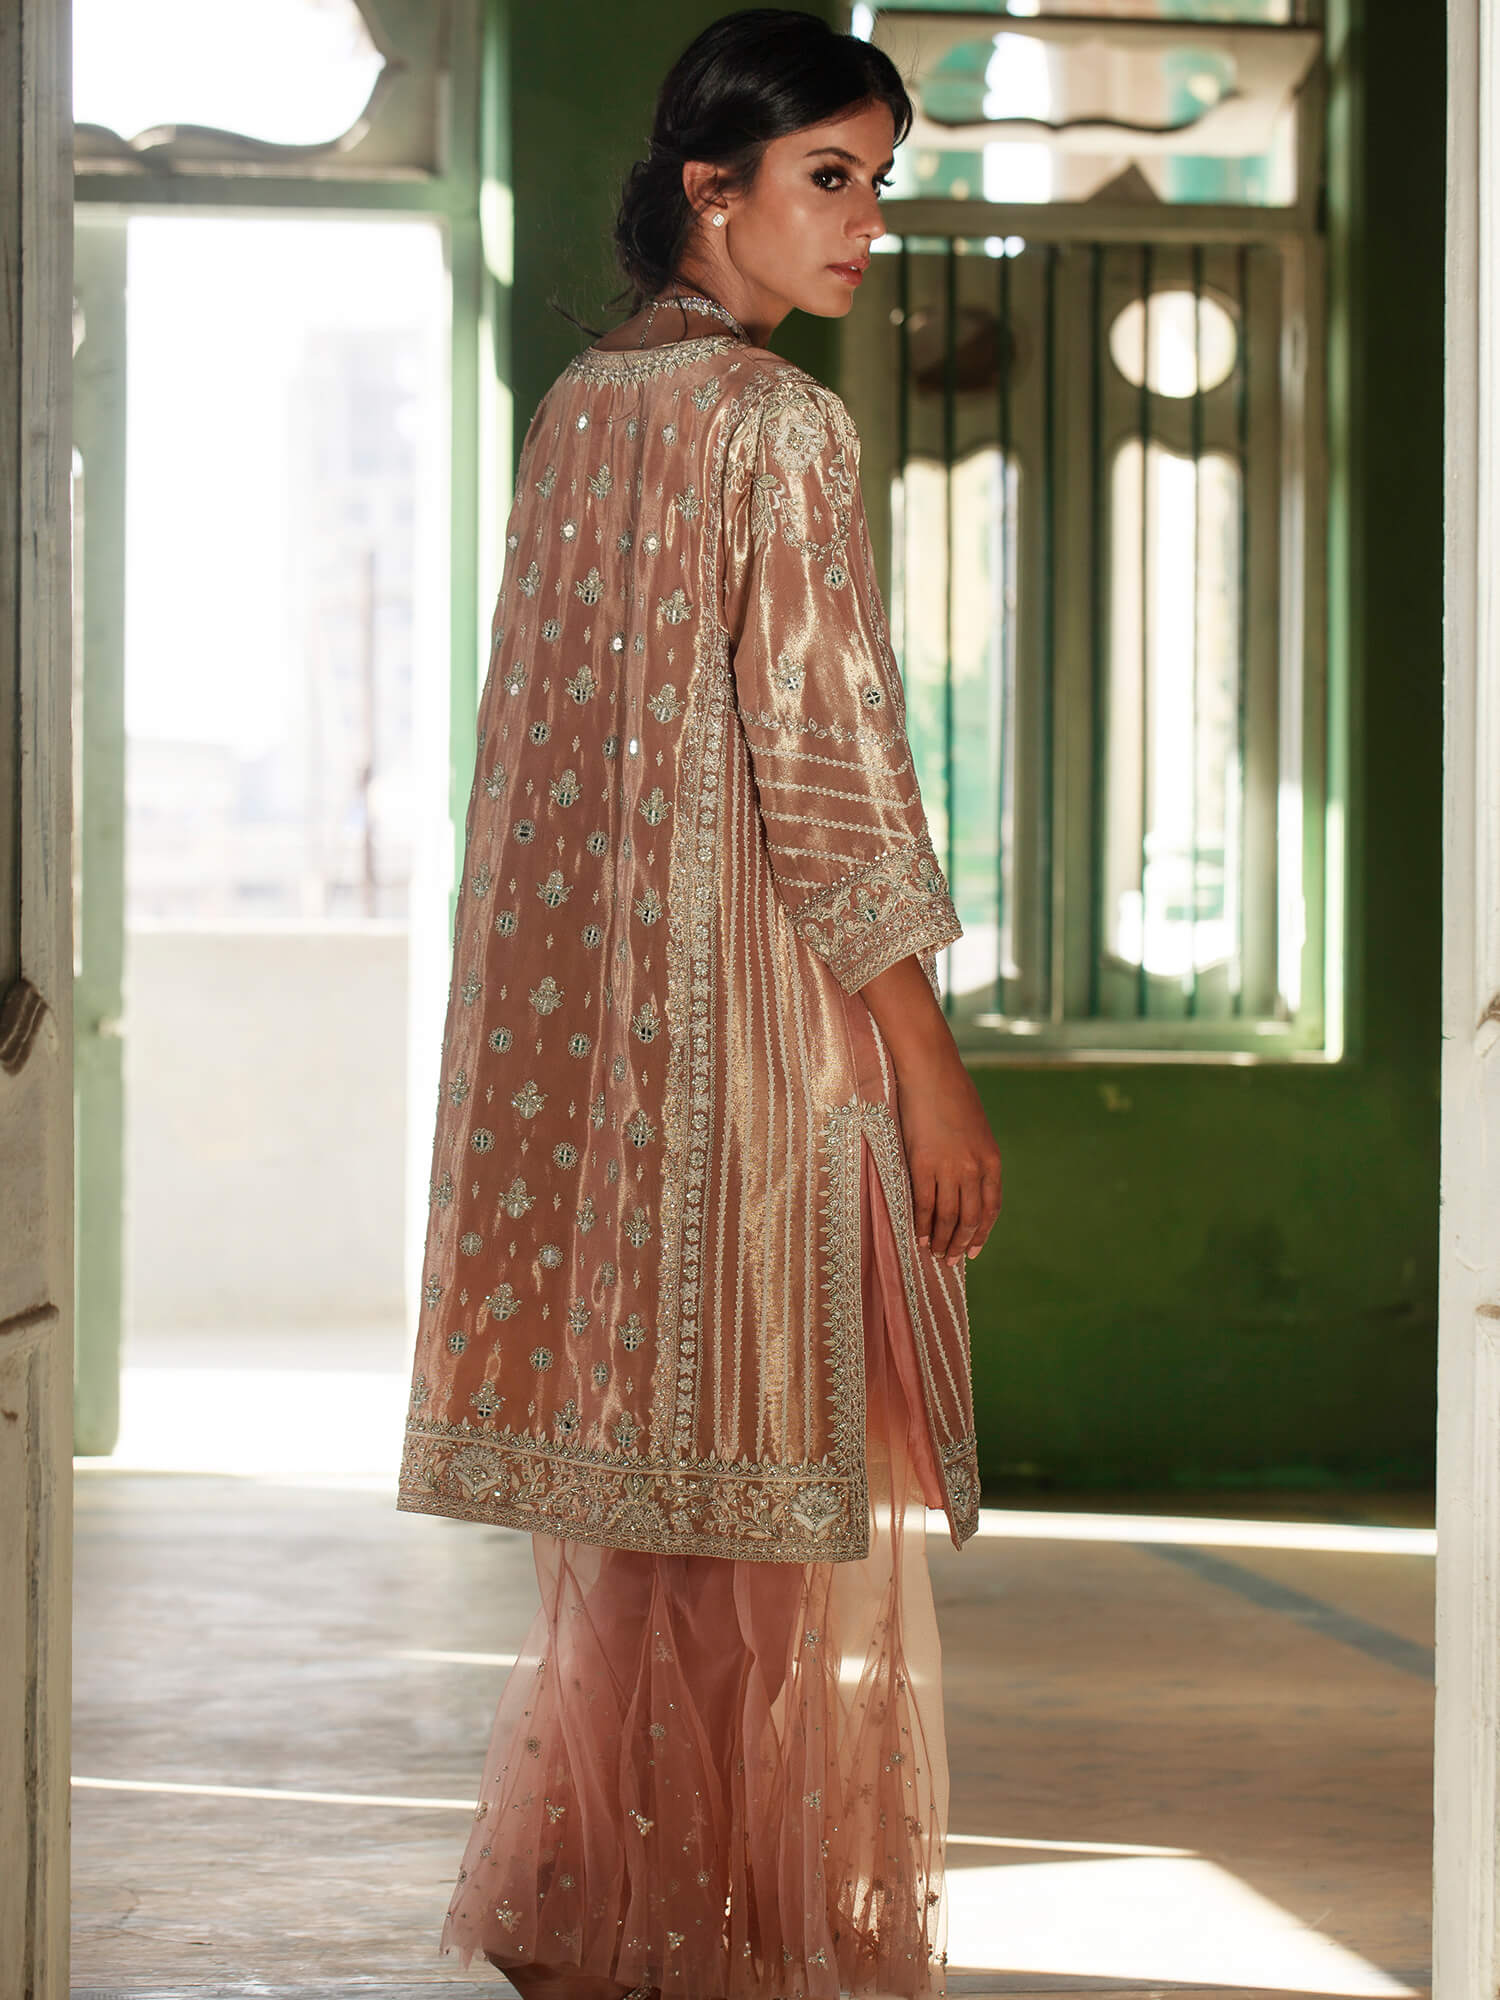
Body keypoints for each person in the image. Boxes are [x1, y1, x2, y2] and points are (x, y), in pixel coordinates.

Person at [397, 11, 1003, 1999]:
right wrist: (926, 1065)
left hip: (599, 1077)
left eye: (879, 185)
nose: (866, 224)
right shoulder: (775, 425)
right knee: (757, 1549)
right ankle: (718, 1943)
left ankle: (614, 1928)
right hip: (750, 1063)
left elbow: (539, 771)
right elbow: (830, 766)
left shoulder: (580, 408)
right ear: (708, 188)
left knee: (649, 1543)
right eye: (829, 179)